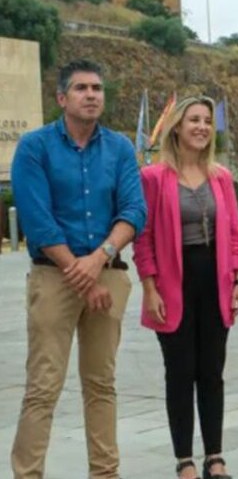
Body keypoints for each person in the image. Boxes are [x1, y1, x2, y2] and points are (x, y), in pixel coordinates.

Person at [9, 59, 147, 479]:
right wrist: (81, 273)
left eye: (98, 88)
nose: (91, 95)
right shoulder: (35, 147)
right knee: (43, 388)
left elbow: (134, 211)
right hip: (54, 276)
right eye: (82, 88)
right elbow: (37, 220)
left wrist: (98, 259)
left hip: (107, 272)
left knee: (101, 384)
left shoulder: (120, 148)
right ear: (61, 98)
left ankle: (105, 474)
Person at [132, 96, 238, 479]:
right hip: (172, 284)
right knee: (180, 372)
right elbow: (144, 238)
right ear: (177, 127)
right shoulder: (153, 177)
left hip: (214, 282)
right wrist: (150, 289)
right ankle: (184, 459)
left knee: (212, 372)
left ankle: (215, 457)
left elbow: (234, 233)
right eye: (193, 120)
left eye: (206, 120)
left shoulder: (221, 176)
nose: (201, 126)